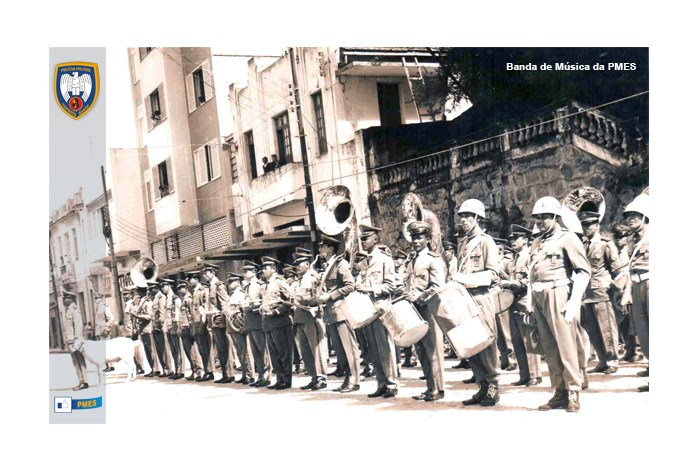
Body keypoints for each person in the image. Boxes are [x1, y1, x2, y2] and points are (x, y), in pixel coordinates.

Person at [529, 197, 591, 412]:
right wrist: (530, 301)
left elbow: (583, 271)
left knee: (567, 345)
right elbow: (532, 274)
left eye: (544, 217)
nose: (540, 222)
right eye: (537, 218)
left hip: (559, 293)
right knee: (549, 347)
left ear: (556, 217)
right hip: (539, 295)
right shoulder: (537, 242)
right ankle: (559, 391)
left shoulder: (568, 238)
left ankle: (574, 390)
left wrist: (574, 300)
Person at [452, 199, 503, 407]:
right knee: (470, 344)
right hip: (465, 298)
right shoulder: (463, 243)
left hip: (482, 297)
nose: (463, 220)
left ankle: (493, 386)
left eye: (468, 216)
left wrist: (463, 279)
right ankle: (481, 385)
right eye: (461, 216)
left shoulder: (486, 241)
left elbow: (492, 274)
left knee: (486, 343)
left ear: (478, 219)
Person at [578, 211, 627, 375]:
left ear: (597, 225)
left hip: (602, 291)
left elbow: (618, 271)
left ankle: (612, 360)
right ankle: (602, 360)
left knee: (607, 328)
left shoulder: (606, 244)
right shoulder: (581, 245)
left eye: (589, 224)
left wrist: (618, 291)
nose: (585, 228)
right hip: (586, 293)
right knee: (592, 329)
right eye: (583, 224)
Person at [356, 224, 400, 398]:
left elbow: (391, 286)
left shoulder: (384, 259)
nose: (363, 242)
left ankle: (392, 384)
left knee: (384, 349)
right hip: (368, 310)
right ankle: (381, 382)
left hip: (380, 308)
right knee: (373, 349)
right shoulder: (366, 261)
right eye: (361, 239)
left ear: (375, 238)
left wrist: (369, 289)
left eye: (366, 238)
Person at [405, 221, 446, 402]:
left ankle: (438, 388)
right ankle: (430, 387)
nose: (415, 241)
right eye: (413, 237)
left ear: (427, 239)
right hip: (414, 310)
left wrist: (419, 296)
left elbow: (438, 286)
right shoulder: (411, 259)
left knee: (433, 351)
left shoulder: (433, 259)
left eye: (419, 237)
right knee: (421, 350)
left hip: (429, 309)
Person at [315, 234, 361, 393]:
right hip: (330, 313)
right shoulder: (327, 266)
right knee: (340, 350)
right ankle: (347, 378)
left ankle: (355, 381)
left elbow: (350, 285)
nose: (319, 249)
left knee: (349, 347)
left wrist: (330, 295)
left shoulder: (340, 263)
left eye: (322, 246)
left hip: (341, 310)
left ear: (330, 248)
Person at [501, 224, 543, 387]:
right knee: (517, 340)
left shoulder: (529, 257)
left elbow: (530, 280)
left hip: (525, 301)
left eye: (515, 238)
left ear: (525, 240)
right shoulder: (514, 259)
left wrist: (512, 283)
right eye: (510, 239)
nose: (512, 241)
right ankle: (524, 375)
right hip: (513, 302)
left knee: (529, 339)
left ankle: (535, 375)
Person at [620, 194, 650, 392]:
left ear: (646, 216)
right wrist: (627, 292)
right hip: (637, 284)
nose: (630, 218)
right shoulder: (631, 240)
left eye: (635, 215)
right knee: (643, 331)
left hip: (652, 281)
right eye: (628, 215)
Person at [292, 248, 328, 390]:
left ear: (307, 264)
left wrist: (304, 298)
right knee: (306, 350)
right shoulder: (301, 279)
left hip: (311, 317)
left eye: (299, 263)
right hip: (301, 317)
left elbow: (317, 296)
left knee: (316, 349)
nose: (297, 266)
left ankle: (321, 378)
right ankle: (314, 376)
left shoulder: (312, 276)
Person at [259, 256, 294, 390]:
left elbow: (291, 299)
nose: (263, 270)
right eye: (262, 268)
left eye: (265, 268)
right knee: (274, 353)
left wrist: (278, 311)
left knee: (284, 353)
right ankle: (279, 378)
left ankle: (286, 380)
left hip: (280, 321)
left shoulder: (280, 282)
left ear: (274, 269)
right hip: (268, 323)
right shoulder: (265, 285)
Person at [242, 261, 271, 388]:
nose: (244, 274)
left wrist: (250, 306)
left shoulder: (260, 285)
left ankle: (267, 376)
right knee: (255, 352)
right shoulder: (247, 287)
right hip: (250, 322)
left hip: (258, 321)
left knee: (263, 350)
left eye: (246, 271)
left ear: (253, 272)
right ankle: (260, 375)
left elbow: (263, 302)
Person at [203, 263, 234, 384]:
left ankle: (229, 374)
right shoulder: (210, 286)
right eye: (204, 273)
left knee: (225, 347)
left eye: (207, 272)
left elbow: (224, 303)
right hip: (213, 321)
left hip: (220, 321)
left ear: (213, 273)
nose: (205, 275)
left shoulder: (218, 285)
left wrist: (225, 319)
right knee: (220, 349)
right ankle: (225, 373)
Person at [225, 273, 254, 384]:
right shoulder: (232, 295)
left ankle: (250, 375)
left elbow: (241, 311)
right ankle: (244, 374)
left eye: (231, 282)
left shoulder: (241, 294)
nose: (229, 284)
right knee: (239, 352)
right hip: (232, 327)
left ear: (237, 282)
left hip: (238, 327)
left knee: (245, 351)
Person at [62, 290, 89, 390]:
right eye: (64, 298)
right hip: (71, 341)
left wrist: (77, 340)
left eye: (66, 298)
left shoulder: (74, 310)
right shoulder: (69, 310)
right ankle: (81, 381)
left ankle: (84, 382)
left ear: (71, 299)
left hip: (75, 341)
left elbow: (78, 325)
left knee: (80, 361)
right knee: (76, 362)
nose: (64, 300)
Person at [190, 272, 214, 381]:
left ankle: (209, 372)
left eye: (191, 279)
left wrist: (203, 323)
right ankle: (207, 371)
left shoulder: (202, 291)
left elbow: (204, 306)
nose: (189, 282)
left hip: (201, 323)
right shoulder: (194, 292)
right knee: (201, 350)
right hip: (196, 324)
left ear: (196, 279)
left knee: (206, 349)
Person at [176, 281, 203, 381]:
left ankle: (198, 371)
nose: (179, 290)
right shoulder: (183, 300)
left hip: (188, 328)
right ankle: (193, 370)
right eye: (178, 289)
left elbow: (192, 314)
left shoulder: (188, 299)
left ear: (186, 288)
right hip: (184, 328)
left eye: (181, 288)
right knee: (188, 351)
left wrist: (191, 328)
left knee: (192, 351)